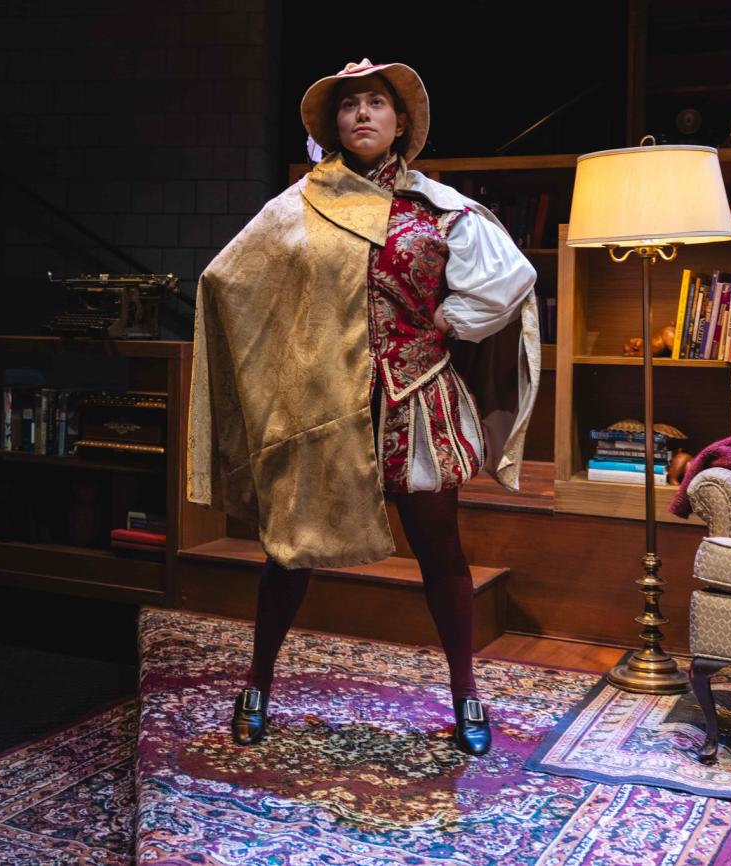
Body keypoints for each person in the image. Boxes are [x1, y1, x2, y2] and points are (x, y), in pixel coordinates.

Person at [187, 59, 541, 757]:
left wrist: (448, 320)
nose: (363, 115)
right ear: (334, 126)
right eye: (349, 106)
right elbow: (230, 278)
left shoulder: (440, 208)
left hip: (414, 402)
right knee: (289, 556)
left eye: (376, 103)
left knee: (442, 555)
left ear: (400, 121)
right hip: (323, 404)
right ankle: (257, 683)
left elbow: (509, 279)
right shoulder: (296, 207)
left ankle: (466, 690)